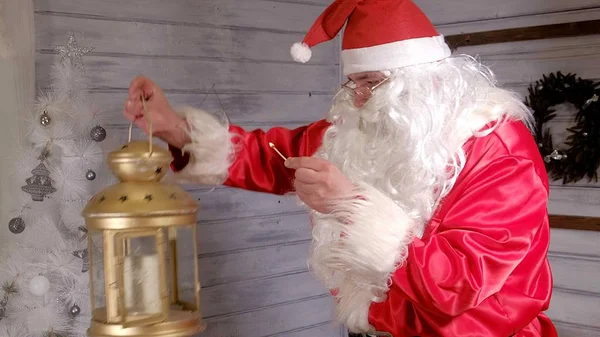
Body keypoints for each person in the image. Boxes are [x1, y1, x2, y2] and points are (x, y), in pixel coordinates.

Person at [123, 1, 558, 336]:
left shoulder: (499, 152)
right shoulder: (360, 128)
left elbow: (460, 284)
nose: (360, 98)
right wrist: (175, 129)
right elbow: (271, 156)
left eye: (374, 83)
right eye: (354, 83)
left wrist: (352, 206)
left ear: (427, 81)